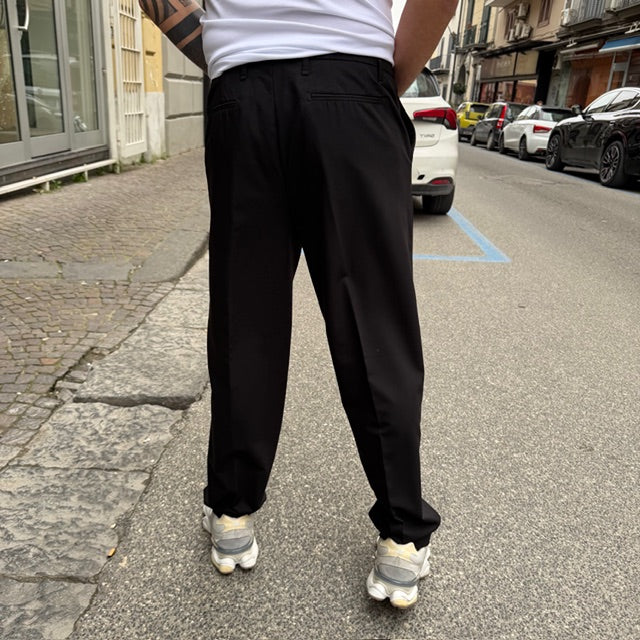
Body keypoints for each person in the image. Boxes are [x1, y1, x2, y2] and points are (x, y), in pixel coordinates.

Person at [139, 0, 456, 608]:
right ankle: (401, 536)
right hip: (354, 83)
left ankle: (232, 515)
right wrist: (376, 79)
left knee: (245, 317)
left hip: (242, 96)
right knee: (374, 321)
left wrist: (231, 48)